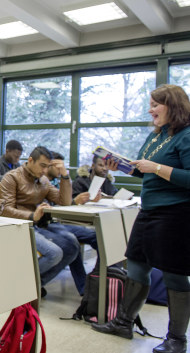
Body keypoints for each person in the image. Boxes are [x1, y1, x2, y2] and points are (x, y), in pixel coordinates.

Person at [91, 84, 190, 353]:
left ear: (174, 106)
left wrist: (156, 167)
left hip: (175, 214)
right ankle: (124, 323)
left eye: (156, 104)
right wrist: (123, 167)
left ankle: (177, 340)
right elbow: (145, 173)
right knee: (135, 264)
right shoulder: (156, 136)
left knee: (174, 274)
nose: (150, 110)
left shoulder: (186, 135)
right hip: (148, 211)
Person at [0, 146, 80, 296]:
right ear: (31, 160)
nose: (45, 171)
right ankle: (19, 284)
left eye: (48, 167)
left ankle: (34, 285)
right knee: (55, 253)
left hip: (36, 224)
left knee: (72, 247)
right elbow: (4, 210)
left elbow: (64, 202)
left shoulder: (43, 180)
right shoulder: (12, 177)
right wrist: (32, 216)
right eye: (42, 166)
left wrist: (65, 176)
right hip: (18, 225)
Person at [47, 151, 100, 295]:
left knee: (98, 237)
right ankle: (84, 288)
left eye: (62, 167)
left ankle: (98, 279)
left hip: (61, 221)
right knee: (71, 240)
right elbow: (47, 208)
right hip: (50, 223)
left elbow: (64, 202)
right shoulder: (41, 181)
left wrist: (77, 201)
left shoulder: (58, 181)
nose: (60, 170)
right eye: (57, 166)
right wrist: (73, 201)